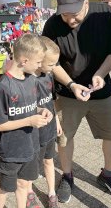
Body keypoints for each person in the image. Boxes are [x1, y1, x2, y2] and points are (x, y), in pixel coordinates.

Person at [42, 0, 111, 203]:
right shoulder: (52, 26)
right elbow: (51, 63)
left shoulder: (105, 15)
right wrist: (71, 84)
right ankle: (68, 176)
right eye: (65, 15)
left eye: (75, 14)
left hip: (101, 89)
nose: (70, 20)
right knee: (64, 137)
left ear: (86, 4)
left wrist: (100, 74)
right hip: (68, 91)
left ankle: (108, 174)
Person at [0, 33, 53, 208]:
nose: (41, 66)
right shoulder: (3, 87)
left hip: (30, 146)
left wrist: (42, 110)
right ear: (24, 61)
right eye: (39, 62)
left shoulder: (31, 80)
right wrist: (29, 121)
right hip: (11, 151)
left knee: (24, 184)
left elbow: (31, 107)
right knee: (5, 187)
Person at [27, 36, 63, 208]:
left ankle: (51, 194)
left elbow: (51, 101)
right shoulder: (27, 81)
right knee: (31, 167)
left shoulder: (48, 76)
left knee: (49, 161)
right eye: (51, 64)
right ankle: (29, 193)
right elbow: (24, 108)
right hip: (34, 134)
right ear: (39, 61)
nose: (54, 68)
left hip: (49, 130)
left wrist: (57, 122)